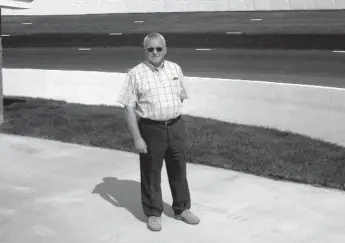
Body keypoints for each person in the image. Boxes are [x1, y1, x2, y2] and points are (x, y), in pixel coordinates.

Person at [116, 32, 200, 231]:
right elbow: (128, 108)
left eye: (158, 48)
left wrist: (170, 116)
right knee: (151, 173)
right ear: (145, 51)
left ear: (165, 49)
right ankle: (154, 213)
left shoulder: (175, 68)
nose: (155, 52)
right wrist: (137, 137)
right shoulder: (135, 74)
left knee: (179, 169)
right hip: (151, 129)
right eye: (150, 49)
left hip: (176, 126)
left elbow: (181, 96)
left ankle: (181, 209)